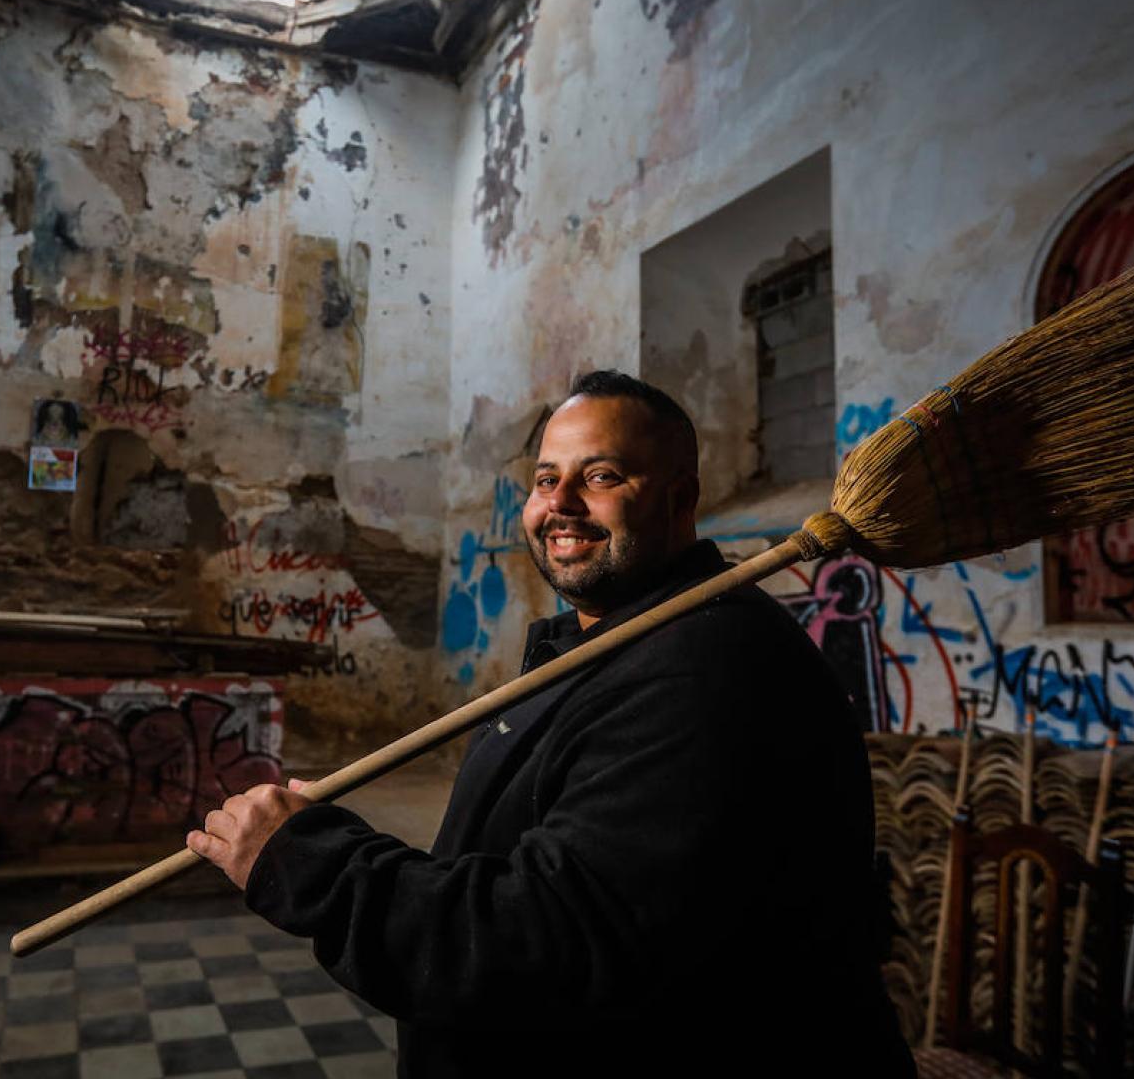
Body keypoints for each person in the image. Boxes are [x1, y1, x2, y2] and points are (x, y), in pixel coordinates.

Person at [187, 370, 916, 1076]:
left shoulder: (707, 671)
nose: (559, 503)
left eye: (600, 477)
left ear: (680, 498)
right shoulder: (609, 645)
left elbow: (545, 940)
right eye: (545, 479)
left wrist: (316, 866)